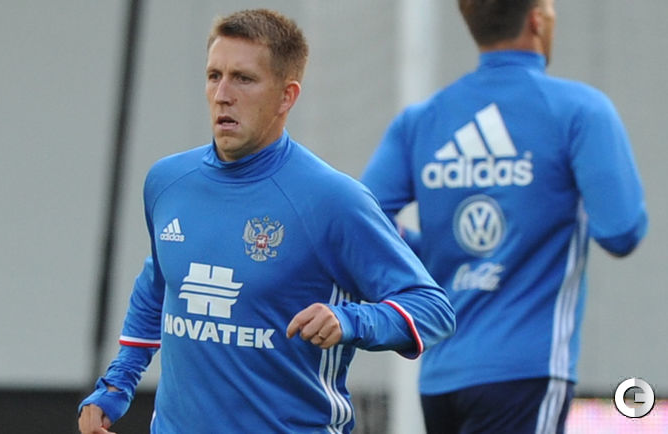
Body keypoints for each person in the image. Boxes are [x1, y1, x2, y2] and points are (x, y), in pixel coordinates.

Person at [77, 8, 455, 434]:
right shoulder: (168, 182)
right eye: (214, 75)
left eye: (243, 78)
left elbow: (433, 309)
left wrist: (352, 322)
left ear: (286, 97)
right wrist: (117, 383)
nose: (223, 94)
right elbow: (159, 287)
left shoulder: (332, 200)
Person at [361, 0, 648, 433]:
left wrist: (434, 252)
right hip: (526, 370)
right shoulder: (580, 110)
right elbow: (621, 231)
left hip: (441, 375)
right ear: (536, 19)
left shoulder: (422, 120)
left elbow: (363, 219)